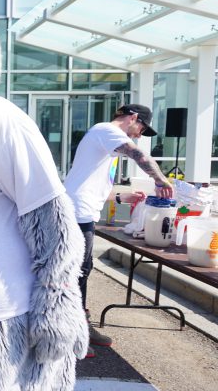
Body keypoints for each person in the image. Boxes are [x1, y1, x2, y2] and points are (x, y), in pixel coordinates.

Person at [65, 104, 173, 358]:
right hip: (77, 214)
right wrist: (161, 179)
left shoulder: (103, 140)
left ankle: (79, 327)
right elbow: (140, 156)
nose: (138, 135)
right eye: (141, 128)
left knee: (81, 271)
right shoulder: (107, 130)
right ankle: (72, 335)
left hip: (82, 211)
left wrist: (122, 198)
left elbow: (90, 182)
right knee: (76, 274)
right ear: (133, 118)